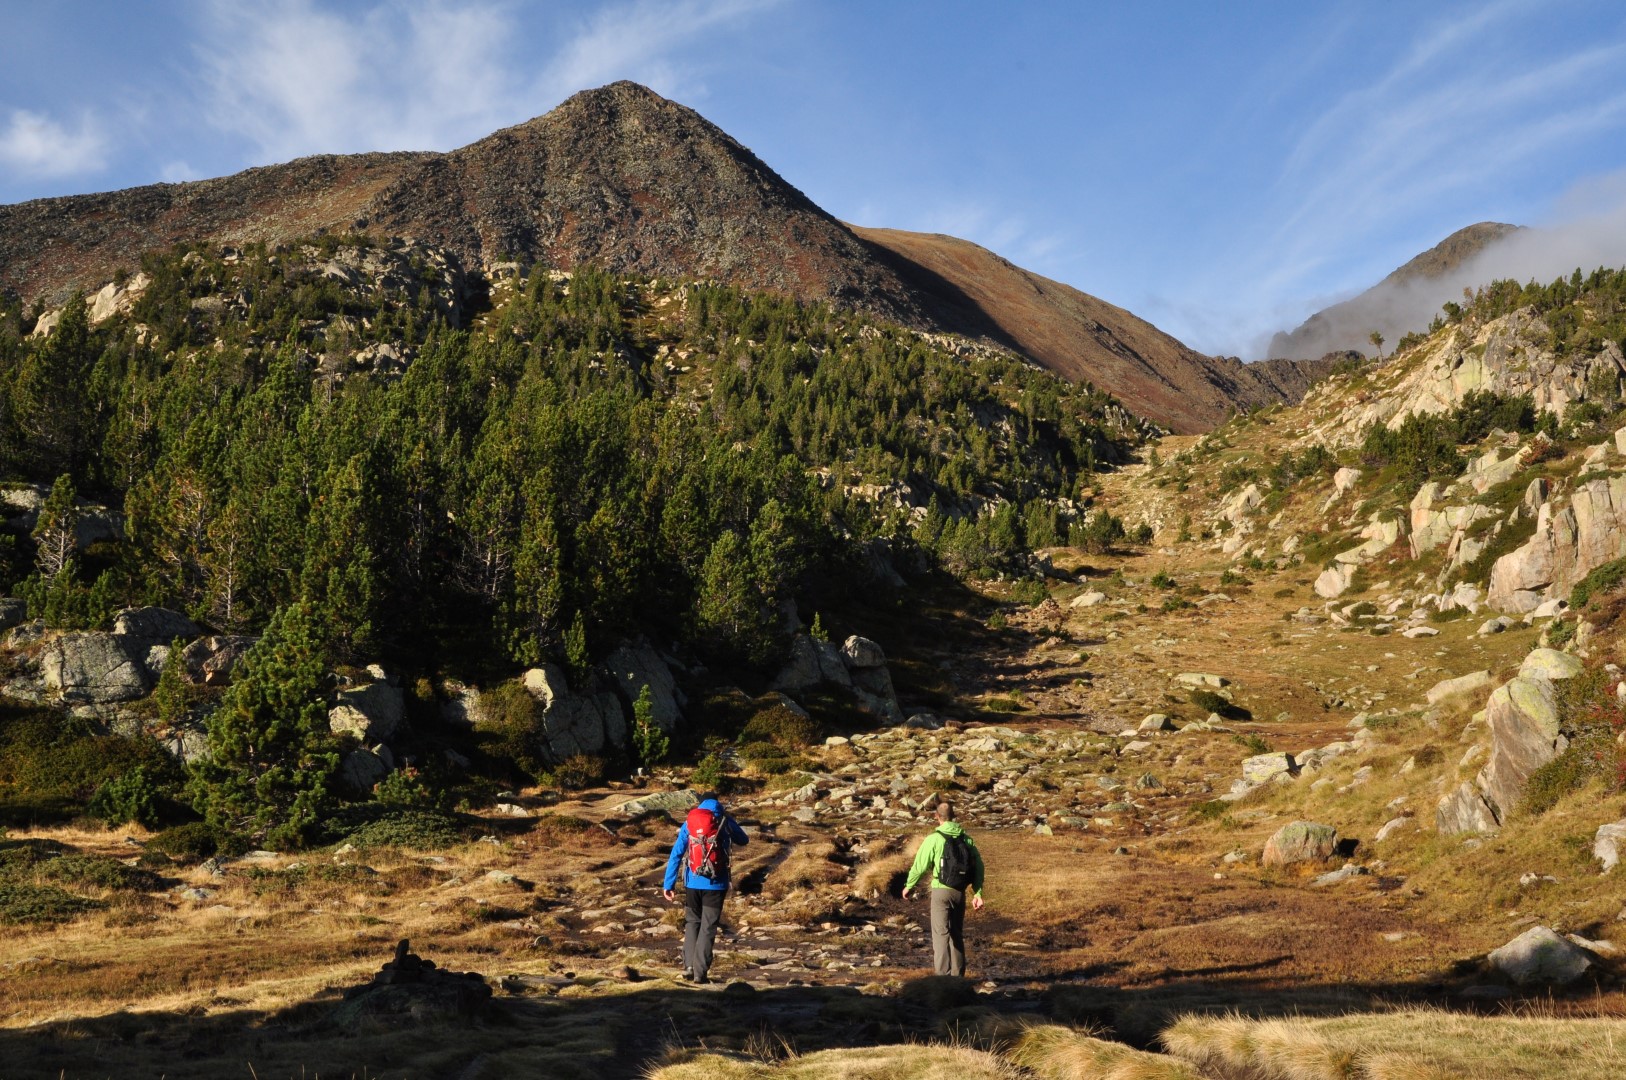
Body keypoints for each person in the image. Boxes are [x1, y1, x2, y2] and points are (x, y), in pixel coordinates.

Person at [662, 793, 749, 984]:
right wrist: (728, 823)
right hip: (716, 884)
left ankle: (688, 967)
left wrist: (668, 884)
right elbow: (744, 840)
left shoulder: (690, 822)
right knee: (708, 927)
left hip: (692, 882)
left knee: (692, 922)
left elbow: (676, 853)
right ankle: (700, 973)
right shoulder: (724, 820)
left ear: (700, 804)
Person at [901, 801, 985, 977]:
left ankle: (942, 978)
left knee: (940, 934)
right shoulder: (966, 839)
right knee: (956, 934)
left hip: (940, 891)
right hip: (959, 892)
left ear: (936, 816)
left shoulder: (933, 839)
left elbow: (919, 866)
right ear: (954, 816)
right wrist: (977, 893)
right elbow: (979, 867)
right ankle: (958, 978)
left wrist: (909, 885)